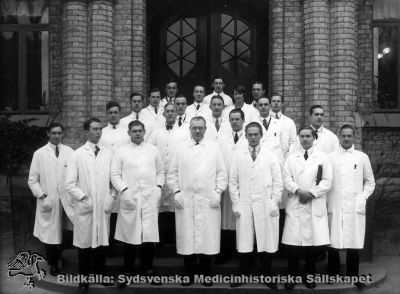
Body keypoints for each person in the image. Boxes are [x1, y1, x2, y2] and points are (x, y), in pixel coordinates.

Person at [167, 116, 228, 286]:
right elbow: (171, 174)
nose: (197, 131)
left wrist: (217, 192)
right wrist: (177, 193)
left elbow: (222, 174)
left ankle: (206, 275)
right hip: (186, 201)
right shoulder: (181, 148)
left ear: (205, 129)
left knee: (207, 238)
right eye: (194, 128)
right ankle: (189, 274)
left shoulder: (214, 148)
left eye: (200, 128)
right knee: (188, 238)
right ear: (190, 129)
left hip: (208, 201)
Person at [229, 122, 283, 289]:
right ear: (245, 136)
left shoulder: (270, 156)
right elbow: (233, 182)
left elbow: (278, 182)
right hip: (245, 203)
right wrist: (236, 204)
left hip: (265, 203)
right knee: (244, 239)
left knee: (266, 239)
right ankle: (243, 273)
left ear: (260, 135)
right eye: (250, 134)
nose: (252, 137)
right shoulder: (239, 156)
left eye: (255, 134)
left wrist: (274, 202)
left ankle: (266, 274)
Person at [111, 120, 165, 287]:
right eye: (134, 131)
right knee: (129, 236)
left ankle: (147, 270)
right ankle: (128, 271)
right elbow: (115, 175)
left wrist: (158, 187)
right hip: (130, 198)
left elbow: (160, 171)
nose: (137, 133)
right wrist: (124, 191)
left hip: (149, 197)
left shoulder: (153, 150)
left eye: (140, 131)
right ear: (129, 133)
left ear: (144, 131)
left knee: (148, 236)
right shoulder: (121, 152)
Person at [66, 118, 116, 292]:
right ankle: (84, 279)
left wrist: (112, 195)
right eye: (94, 129)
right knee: (84, 245)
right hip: (86, 207)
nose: (98, 132)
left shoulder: (108, 153)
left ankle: (100, 275)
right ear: (86, 132)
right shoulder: (77, 154)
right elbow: (70, 184)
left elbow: (114, 178)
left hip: (102, 207)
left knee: (101, 244)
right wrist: (84, 197)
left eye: (100, 129)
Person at [282, 126, 333, 289]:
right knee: (293, 245)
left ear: (314, 138)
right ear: (299, 138)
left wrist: (311, 194)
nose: (305, 139)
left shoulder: (323, 158)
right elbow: (286, 178)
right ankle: (292, 276)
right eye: (302, 136)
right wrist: (298, 191)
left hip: (313, 203)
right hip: (296, 202)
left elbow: (327, 181)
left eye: (308, 136)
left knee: (312, 245)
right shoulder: (291, 158)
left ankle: (309, 276)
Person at [327, 124, 375, 288]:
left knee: (353, 241)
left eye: (349, 136)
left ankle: (353, 276)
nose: (346, 139)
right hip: (335, 204)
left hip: (355, 205)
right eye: (344, 136)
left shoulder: (362, 157)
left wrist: (362, 197)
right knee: (333, 241)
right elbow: (325, 181)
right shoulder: (330, 157)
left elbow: (370, 182)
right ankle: (332, 275)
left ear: (354, 137)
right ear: (339, 137)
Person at [28, 123, 74, 276]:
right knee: (51, 234)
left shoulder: (69, 152)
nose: (56, 136)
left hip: (67, 199)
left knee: (67, 231)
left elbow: (75, 175)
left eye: (59, 133)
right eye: (53, 133)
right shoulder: (39, 154)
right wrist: (41, 195)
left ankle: (63, 260)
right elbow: (32, 180)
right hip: (49, 199)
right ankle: (53, 264)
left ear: (63, 134)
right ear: (48, 133)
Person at [148, 103, 189, 248]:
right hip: (158, 174)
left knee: (175, 205)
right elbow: (149, 151)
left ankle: (175, 238)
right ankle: (161, 238)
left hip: (176, 174)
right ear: (163, 114)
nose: (170, 113)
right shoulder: (156, 133)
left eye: (173, 111)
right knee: (160, 206)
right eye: (168, 111)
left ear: (177, 114)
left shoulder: (184, 133)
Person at [215, 109, 248, 265]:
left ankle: (242, 254)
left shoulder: (249, 138)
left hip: (245, 186)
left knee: (243, 220)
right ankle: (225, 252)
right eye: (232, 119)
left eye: (237, 119)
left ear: (243, 120)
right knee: (226, 220)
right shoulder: (222, 139)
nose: (234, 122)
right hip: (226, 186)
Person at [252, 97, 284, 163]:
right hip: (259, 160)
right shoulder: (252, 124)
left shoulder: (279, 123)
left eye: (266, 104)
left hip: (275, 160)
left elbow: (284, 145)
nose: (263, 107)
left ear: (270, 106)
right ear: (257, 107)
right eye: (261, 105)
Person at [270, 93, 297, 159]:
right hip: (269, 158)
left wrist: (289, 156)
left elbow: (293, 142)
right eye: (274, 101)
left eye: (278, 101)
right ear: (270, 103)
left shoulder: (289, 122)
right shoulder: (266, 121)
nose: (276, 103)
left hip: (285, 158)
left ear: (282, 104)